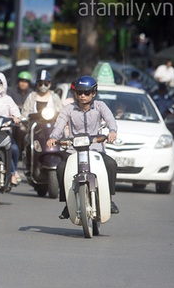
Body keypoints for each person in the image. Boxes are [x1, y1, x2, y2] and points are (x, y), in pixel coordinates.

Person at [46, 75, 120, 219]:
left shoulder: (100, 106)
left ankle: (109, 200)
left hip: (95, 149)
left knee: (111, 164)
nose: (83, 96)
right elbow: (59, 125)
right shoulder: (68, 109)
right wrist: (53, 137)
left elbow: (111, 119)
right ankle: (68, 203)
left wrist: (112, 131)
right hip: (73, 150)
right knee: (61, 168)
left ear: (94, 93)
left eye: (86, 93)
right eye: (79, 92)